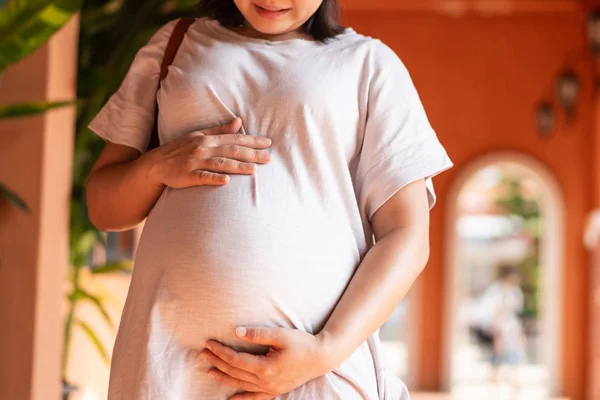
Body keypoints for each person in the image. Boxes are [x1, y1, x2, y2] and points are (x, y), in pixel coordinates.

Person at [85, 1, 453, 399]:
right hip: (168, 368)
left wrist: (325, 350)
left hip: (312, 374)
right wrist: (156, 166)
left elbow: (407, 235)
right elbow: (103, 209)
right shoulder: (176, 44)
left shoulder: (368, 64)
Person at [471, 265, 527, 388]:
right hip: (498, 329)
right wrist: (497, 332)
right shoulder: (495, 290)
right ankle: (494, 386)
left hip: (511, 330)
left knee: (514, 358)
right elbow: (491, 311)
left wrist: (520, 333)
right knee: (497, 359)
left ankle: (513, 385)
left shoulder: (515, 291)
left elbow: (517, 314)